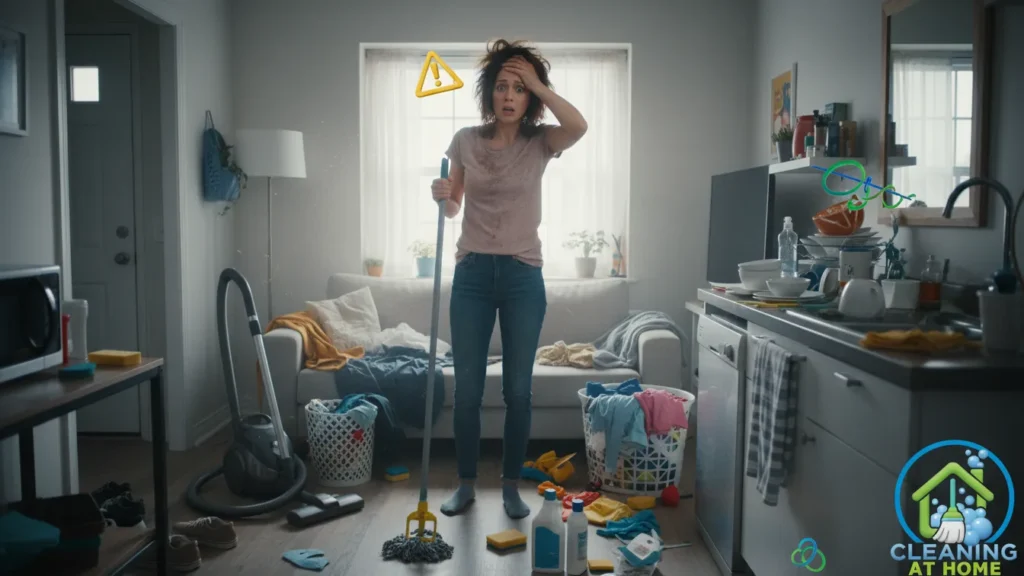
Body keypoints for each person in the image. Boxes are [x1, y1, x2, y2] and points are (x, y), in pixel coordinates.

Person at [430, 39, 588, 519]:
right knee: (468, 391)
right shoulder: (465, 140)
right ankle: (465, 484)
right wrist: (443, 196)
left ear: (530, 97)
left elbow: (579, 126)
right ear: (489, 92)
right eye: (502, 86)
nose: (509, 96)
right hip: (472, 274)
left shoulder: (540, 142)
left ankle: (510, 488)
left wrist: (539, 83)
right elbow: (453, 206)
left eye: (519, 89)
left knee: (518, 391)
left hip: (522, 276)